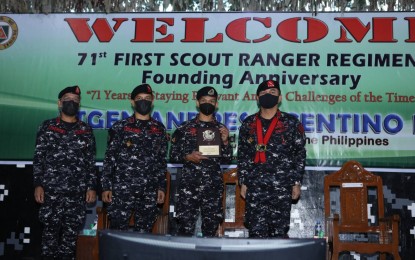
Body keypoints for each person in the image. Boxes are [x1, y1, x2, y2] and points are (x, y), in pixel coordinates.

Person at [33, 85, 97, 260]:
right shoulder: (47, 127)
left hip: (76, 193)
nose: (72, 102)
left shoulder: (86, 130)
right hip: (51, 191)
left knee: (70, 238)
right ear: (59, 103)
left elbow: (90, 162)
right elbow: (39, 158)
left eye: (76, 100)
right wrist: (38, 184)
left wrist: (91, 187)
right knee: (50, 235)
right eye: (68, 99)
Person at [237, 79, 306, 238]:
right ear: (257, 98)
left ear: (280, 98)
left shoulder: (291, 123)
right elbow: (243, 155)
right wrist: (243, 181)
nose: (268, 95)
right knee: (255, 234)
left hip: (281, 187)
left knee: (279, 234)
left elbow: (299, 154)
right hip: (255, 187)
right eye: (264, 93)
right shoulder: (249, 124)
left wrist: (296, 182)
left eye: (273, 92)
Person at [101, 84, 167, 232]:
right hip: (122, 190)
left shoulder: (159, 129)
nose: (144, 101)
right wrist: (106, 186)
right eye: (139, 98)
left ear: (153, 101)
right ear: (132, 102)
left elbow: (161, 162)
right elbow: (109, 158)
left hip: (149, 190)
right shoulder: (120, 127)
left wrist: (161, 187)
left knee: (144, 235)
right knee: (117, 232)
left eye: (147, 98)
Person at [170, 86, 232, 237]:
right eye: (204, 100)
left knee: (210, 231)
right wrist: (187, 157)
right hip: (188, 187)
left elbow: (228, 159)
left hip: (212, 187)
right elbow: (172, 155)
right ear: (197, 103)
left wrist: (225, 142)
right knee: (184, 229)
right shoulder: (184, 128)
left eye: (211, 101)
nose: (207, 103)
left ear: (216, 104)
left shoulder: (221, 129)